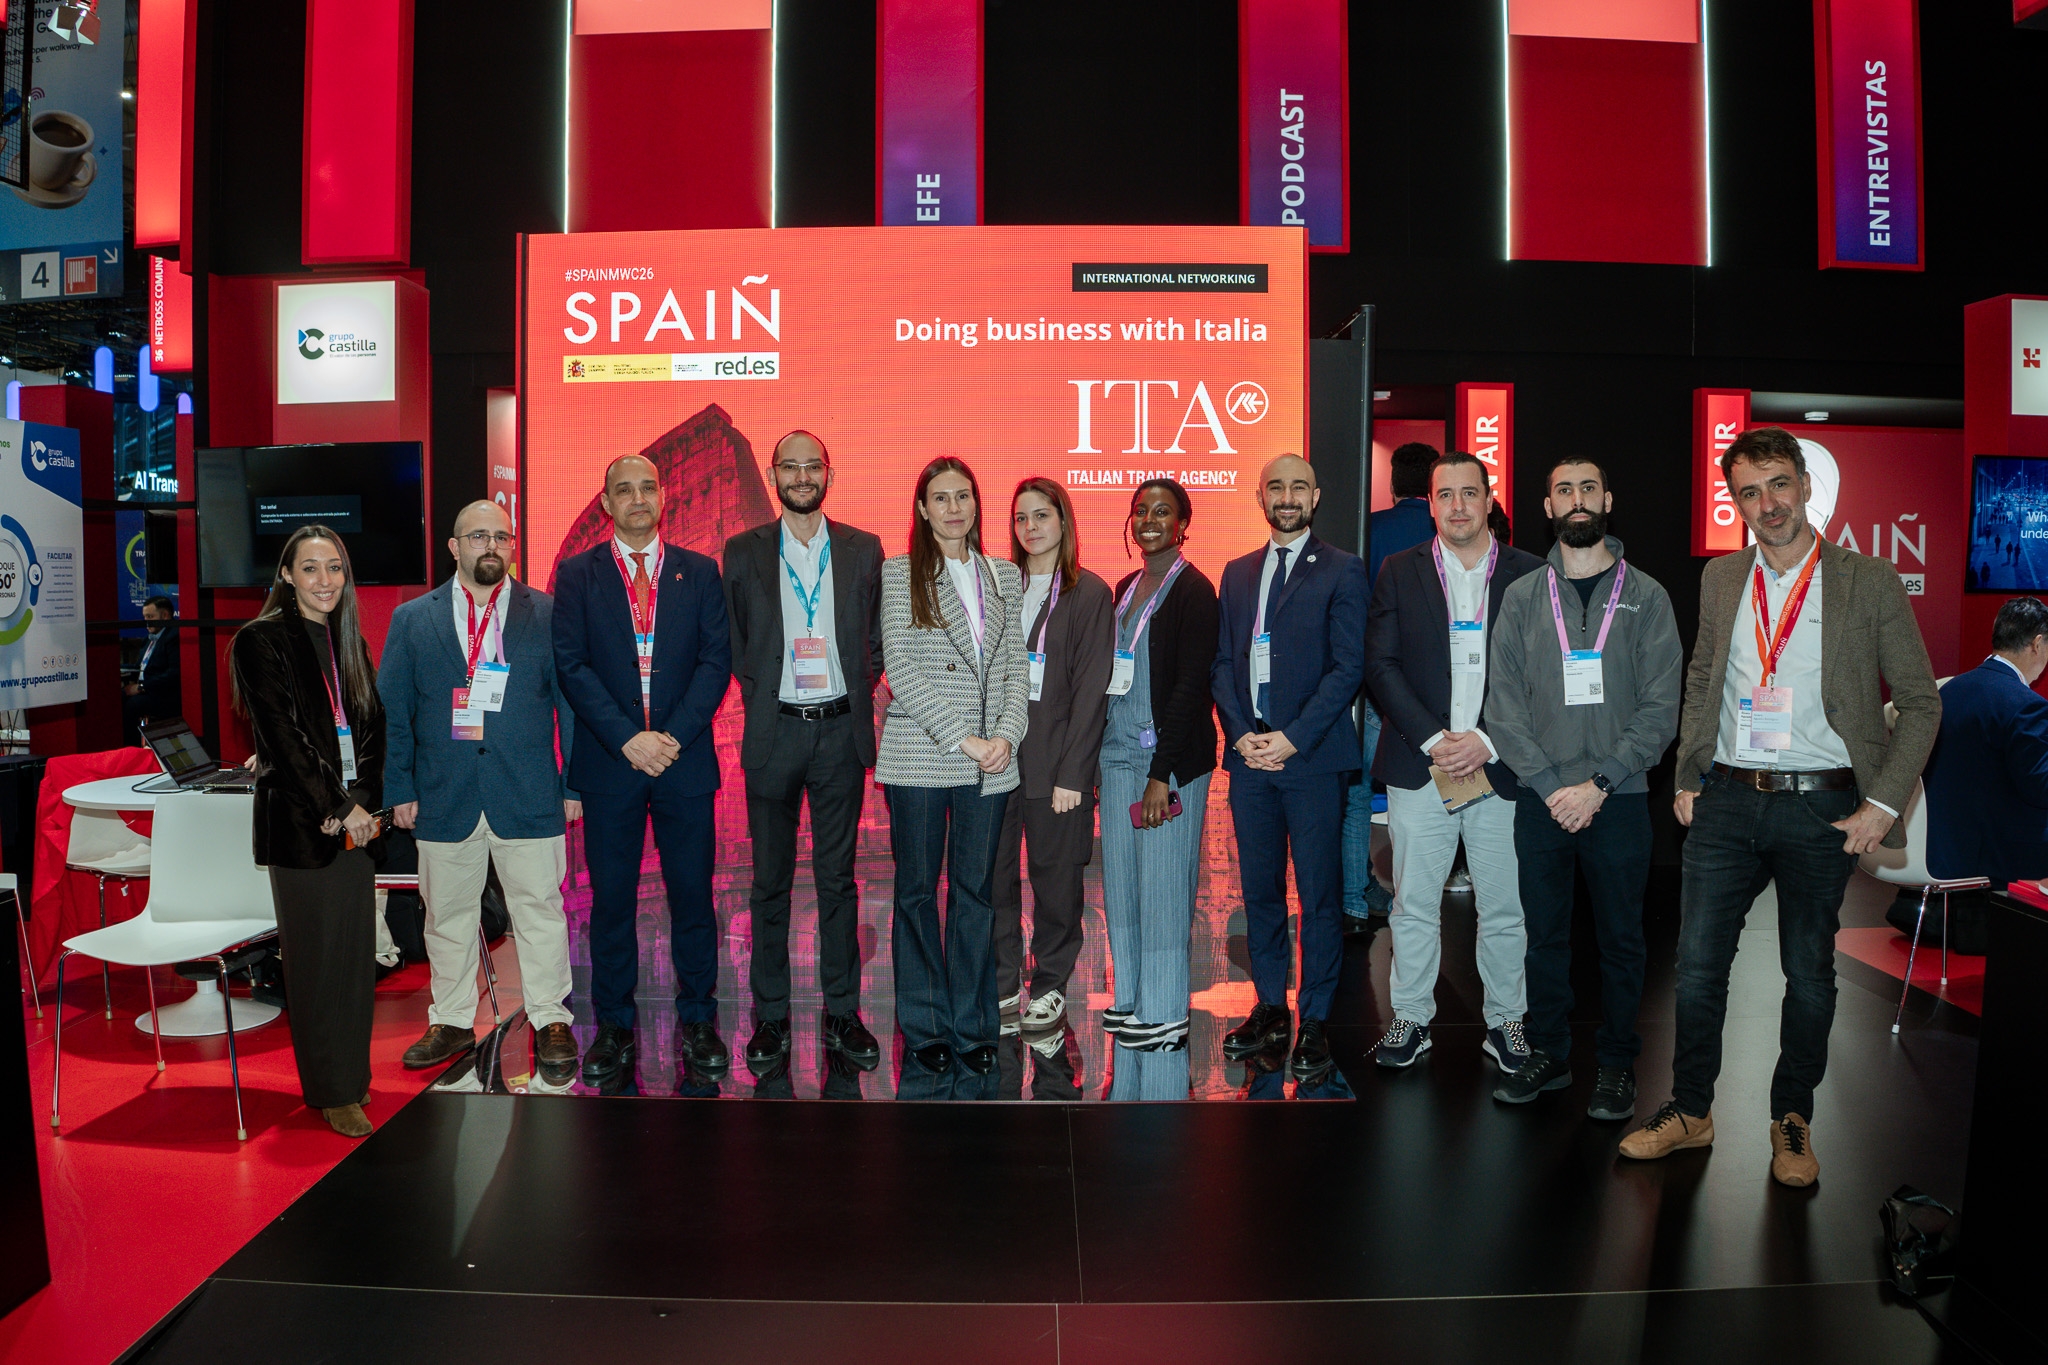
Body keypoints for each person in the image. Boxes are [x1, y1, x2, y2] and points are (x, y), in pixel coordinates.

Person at [1621, 426, 1939, 1187]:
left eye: (1778, 484)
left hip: (1822, 806)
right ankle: (1690, 1110)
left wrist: (1882, 804)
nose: (1767, 504)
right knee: (1697, 968)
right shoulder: (1723, 577)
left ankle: (1792, 1117)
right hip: (1728, 798)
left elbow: (1922, 703)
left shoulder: (1869, 580)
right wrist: (1688, 773)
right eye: (1749, 492)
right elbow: (1704, 677)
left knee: (1810, 974)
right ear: (1737, 504)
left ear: (1804, 485)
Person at [1482, 457, 1682, 1115]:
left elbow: (1661, 708)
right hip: (1541, 800)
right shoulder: (1521, 597)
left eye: (1588, 488)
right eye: (1564, 489)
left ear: (1607, 500)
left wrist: (1598, 783)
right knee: (1544, 937)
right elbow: (1503, 705)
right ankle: (1549, 1053)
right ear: (1548, 507)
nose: (1577, 498)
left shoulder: (1647, 595)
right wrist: (1549, 786)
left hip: (1618, 799)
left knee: (1622, 941)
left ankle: (1618, 1065)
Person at [378, 501, 583, 1089]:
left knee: (539, 911)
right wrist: (399, 787)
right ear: (454, 546)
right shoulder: (413, 619)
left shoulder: (548, 612)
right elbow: (395, 712)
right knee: (446, 917)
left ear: (513, 545)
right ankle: (450, 1021)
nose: (490, 546)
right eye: (477, 536)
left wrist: (573, 784)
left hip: (530, 791)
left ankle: (550, 1020)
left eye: (501, 536)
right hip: (443, 794)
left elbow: (570, 704)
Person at [553, 454, 733, 1089]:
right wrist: (629, 739)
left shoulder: (699, 571)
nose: (637, 499)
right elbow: (571, 664)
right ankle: (614, 1027)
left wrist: (670, 738)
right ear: (607, 503)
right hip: (611, 765)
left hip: (684, 764)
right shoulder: (578, 574)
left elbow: (715, 662)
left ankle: (700, 1021)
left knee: (693, 900)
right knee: (611, 904)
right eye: (623, 490)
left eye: (647, 488)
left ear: (663, 497)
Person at [1365, 451, 1544, 1072]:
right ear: (1432, 505)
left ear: (1489, 499)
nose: (1458, 506)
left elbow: (1540, 675)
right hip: (1421, 766)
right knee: (1412, 904)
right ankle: (1410, 1020)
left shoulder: (1529, 573)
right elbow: (1380, 664)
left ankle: (1507, 1022)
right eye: (1446, 495)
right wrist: (1431, 738)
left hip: (1500, 768)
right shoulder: (1398, 570)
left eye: (1470, 493)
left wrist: (1487, 740)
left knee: (1505, 908)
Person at [722, 431, 887, 1078]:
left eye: (811, 466)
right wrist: (767, 694)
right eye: (788, 466)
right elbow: (738, 642)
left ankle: (842, 1012)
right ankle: (772, 1017)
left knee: (837, 881)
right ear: (773, 476)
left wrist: (855, 685)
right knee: (769, 883)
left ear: (829, 474)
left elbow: (875, 638)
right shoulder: (744, 551)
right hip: (776, 733)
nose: (800, 476)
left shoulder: (863, 548)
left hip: (840, 733)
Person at [1212, 454, 1369, 1079]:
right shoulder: (1237, 572)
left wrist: (1293, 738)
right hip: (1251, 760)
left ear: (1315, 496)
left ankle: (1317, 1017)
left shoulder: (1343, 569)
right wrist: (1242, 735)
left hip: (1312, 761)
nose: (1286, 496)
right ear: (1260, 497)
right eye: (1275, 486)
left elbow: (1348, 668)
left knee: (1320, 894)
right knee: (1259, 892)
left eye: (1298, 486)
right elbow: (1223, 664)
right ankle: (1271, 1007)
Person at [228, 526, 385, 1138]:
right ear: (287, 575)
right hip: (302, 826)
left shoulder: (349, 640)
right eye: (311, 568)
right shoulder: (259, 640)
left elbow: (372, 727)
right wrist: (336, 805)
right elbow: (282, 739)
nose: (325, 580)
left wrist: (360, 801)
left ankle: (351, 1077)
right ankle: (330, 1090)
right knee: (317, 965)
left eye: (335, 568)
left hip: (356, 824)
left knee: (354, 961)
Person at [877, 456, 1029, 1078]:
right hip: (922, 757)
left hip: (991, 763)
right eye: (940, 498)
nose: (954, 508)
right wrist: (964, 739)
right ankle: (925, 1025)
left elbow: (1015, 666)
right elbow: (901, 668)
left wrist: (1007, 736)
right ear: (922, 508)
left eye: (963, 496)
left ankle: (973, 1025)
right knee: (917, 893)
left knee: (975, 896)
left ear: (976, 503)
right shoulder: (899, 573)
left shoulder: (1003, 575)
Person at [1100, 479, 1218, 1093]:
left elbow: (1190, 688)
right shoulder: (1124, 588)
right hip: (1116, 757)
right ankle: (1133, 998)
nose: (1148, 519)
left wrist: (1159, 775)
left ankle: (1166, 1012)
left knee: (1165, 890)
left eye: (1162, 511)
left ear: (1182, 525)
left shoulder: (1195, 591)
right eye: (1141, 510)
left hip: (1164, 765)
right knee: (1122, 887)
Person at [993, 478, 1113, 1035]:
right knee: (993, 882)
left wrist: (1075, 774)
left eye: (1042, 515)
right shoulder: (998, 587)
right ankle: (1001, 984)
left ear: (1064, 520)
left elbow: (1092, 691)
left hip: (1056, 767)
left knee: (1056, 886)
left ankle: (1048, 987)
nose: (1031, 527)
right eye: (1021, 518)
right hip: (995, 764)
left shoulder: (1089, 593)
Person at [1342, 442, 1439, 931]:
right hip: (1440, 691)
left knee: (1359, 793)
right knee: (1444, 788)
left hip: (1376, 686)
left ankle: (1355, 899)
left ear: (1394, 482)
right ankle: (1430, 892)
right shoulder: (1449, 530)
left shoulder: (1368, 528)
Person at [1921, 596, 2048, 887]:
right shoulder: (2026, 705)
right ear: (2037, 644)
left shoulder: (1948, 691)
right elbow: (2040, 789)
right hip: (1995, 852)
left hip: (1935, 846)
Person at [123, 596, 180, 740]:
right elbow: (140, 667)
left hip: (162, 694)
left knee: (131, 706)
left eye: (150, 617)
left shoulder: (174, 636)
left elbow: (173, 674)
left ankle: (131, 746)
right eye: (145, 617)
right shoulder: (148, 639)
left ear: (165, 615)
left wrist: (141, 687)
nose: (146, 622)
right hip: (146, 690)